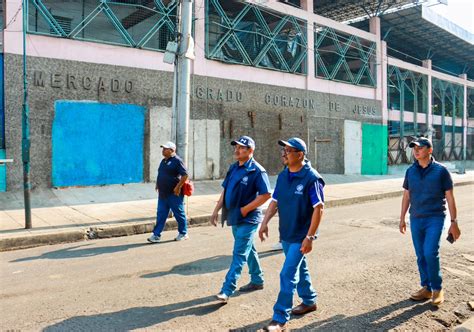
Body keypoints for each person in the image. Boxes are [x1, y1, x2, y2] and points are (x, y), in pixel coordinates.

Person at [259, 137, 325, 331]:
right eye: (284, 150)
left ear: (300, 154)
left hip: (301, 235)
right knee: (300, 268)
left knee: (287, 273)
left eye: (288, 150)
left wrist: (310, 237)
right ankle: (310, 300)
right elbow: (275, 201)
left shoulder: (311, 178)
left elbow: (319, 208)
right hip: (286, 233)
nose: (284, 153)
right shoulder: (283, 175)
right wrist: (264, 223)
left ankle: (280, 317)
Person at [399, 137, 461, 306]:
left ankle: (437, 288)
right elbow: (407, 195)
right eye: (414, 148)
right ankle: (426, 288)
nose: (416, 150)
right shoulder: (410, 171)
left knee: (430, 253)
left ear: (429, 150)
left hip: (435, 217)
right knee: (420, 255)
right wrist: (402, 218)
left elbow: (450, 197)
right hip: (416, 218)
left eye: (420, 147)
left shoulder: (441, 171)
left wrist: (454, 222)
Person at [210, 136, 271, 303]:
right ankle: (257, 280)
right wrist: (216, 209)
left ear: (250, 151)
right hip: (234, 217)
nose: (236, 150)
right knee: (248, 250)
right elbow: (226, 190)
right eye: (236, 147)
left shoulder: (257, 171)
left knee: (239, 254)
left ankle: (227, 289)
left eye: (241, 148)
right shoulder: (234, 167)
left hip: (248, 219)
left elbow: (266, 195)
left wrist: (246, 209)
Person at [148, 141, 189, 243]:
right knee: (161, 214)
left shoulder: (177, 161)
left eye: (165, 149)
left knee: (179, 214)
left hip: (173, 194)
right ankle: (156, 235)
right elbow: (161, 173)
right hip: (163, 193)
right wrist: (158, 184)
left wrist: (178, 187)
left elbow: (185, 175)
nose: (163, 150)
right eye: (163, 148)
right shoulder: (163, 161)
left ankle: (183, 233)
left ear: (172, 150)